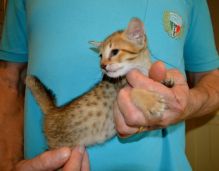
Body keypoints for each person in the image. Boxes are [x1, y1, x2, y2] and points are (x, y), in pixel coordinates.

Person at [0, 0, 219, 170]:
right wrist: (7, 166)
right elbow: (7, 80)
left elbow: (212, 79)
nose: (104, 64)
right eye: (102, 57)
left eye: (112, 54)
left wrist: (188, 103)